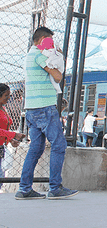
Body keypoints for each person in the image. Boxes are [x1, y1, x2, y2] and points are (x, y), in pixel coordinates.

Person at [16, 27, 78, 200]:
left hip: (32, 109)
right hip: (45, 108)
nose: (51, 45)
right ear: (42, 39)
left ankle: (24, 188)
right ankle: (55, 187)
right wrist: (58, 56)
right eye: (49, 41)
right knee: (59, 145)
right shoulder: (39, 55)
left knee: (35, 149)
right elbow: (58, 76)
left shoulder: (30, 55)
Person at [0, 84, 26, 190]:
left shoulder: (3, 108)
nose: (8, 98)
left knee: (1, 177)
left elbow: (3, 128)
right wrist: (13, 135)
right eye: (6, 95)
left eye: (9, 95)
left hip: (1, 146)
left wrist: (10, 140)